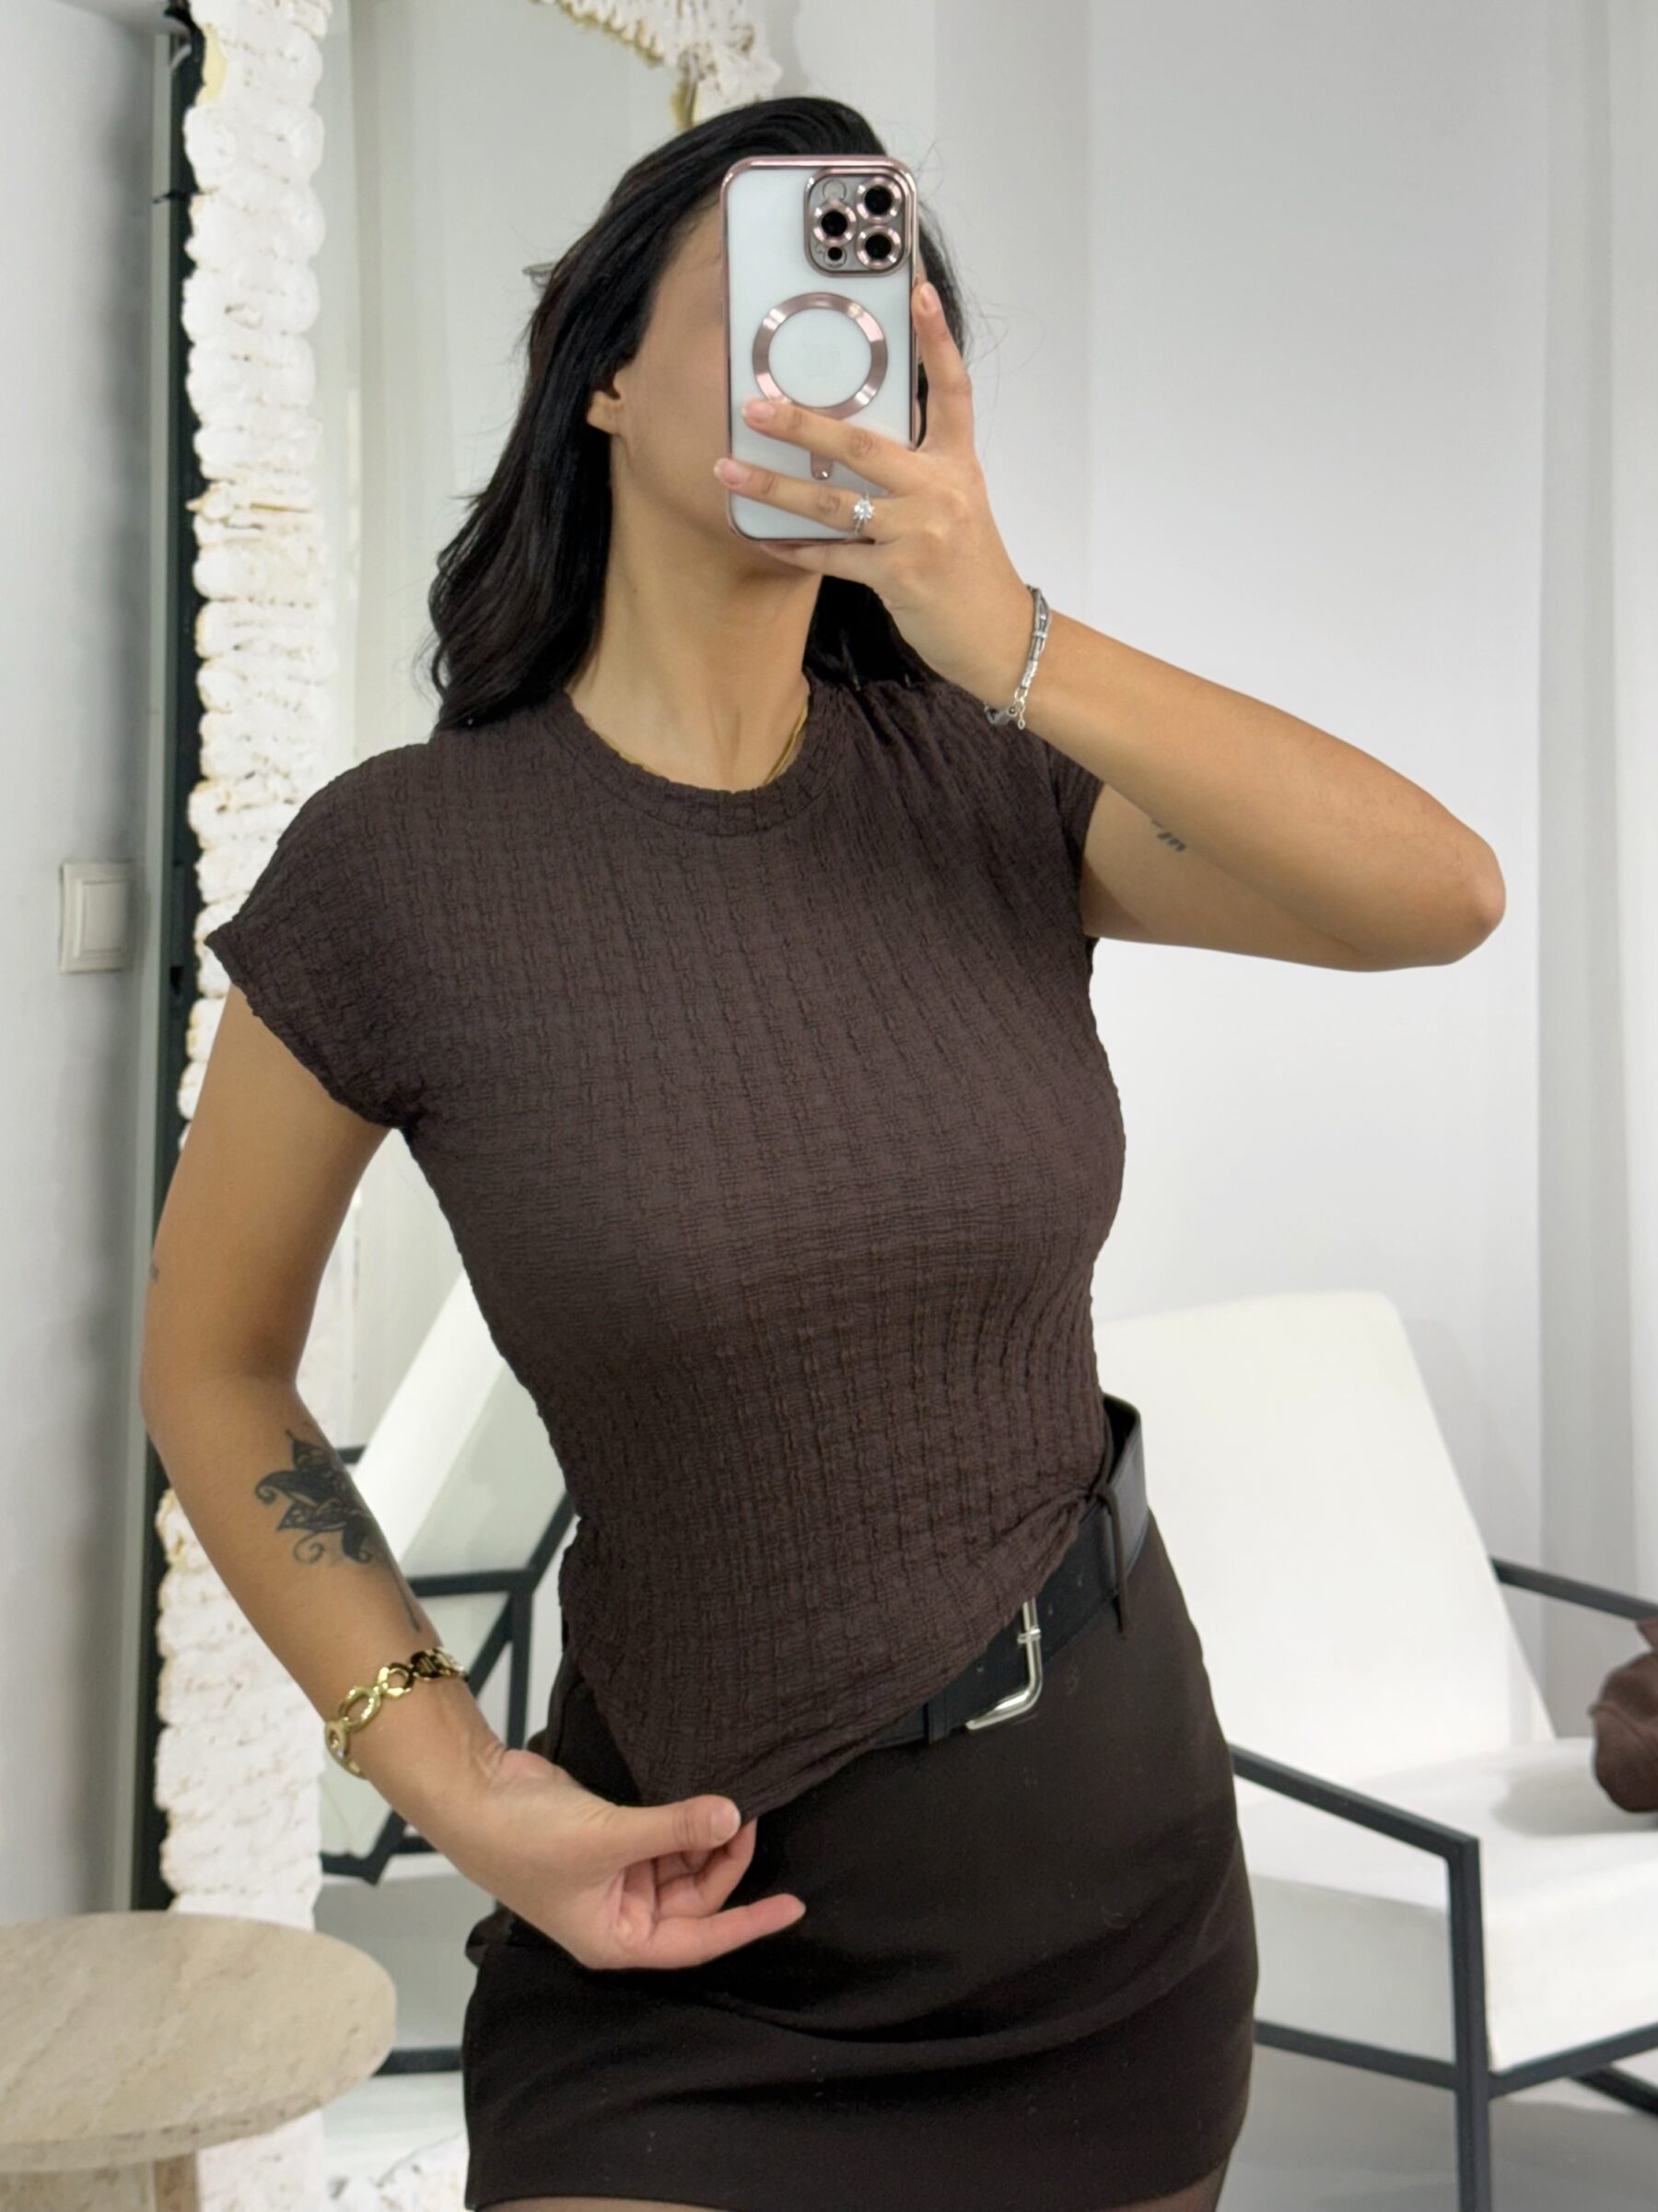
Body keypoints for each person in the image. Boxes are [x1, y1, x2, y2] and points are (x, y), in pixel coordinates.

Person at [141, 95, 1505, 2212]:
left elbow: (1440, 894)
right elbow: (212, 1366)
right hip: (683, 1932)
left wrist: (1011, 631)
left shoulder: (982, 783)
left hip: (1110, 1901)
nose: (827, 355)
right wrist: (451, 1771)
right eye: (773, 295)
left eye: (883, 327)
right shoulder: (401, 869)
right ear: (601, 375)